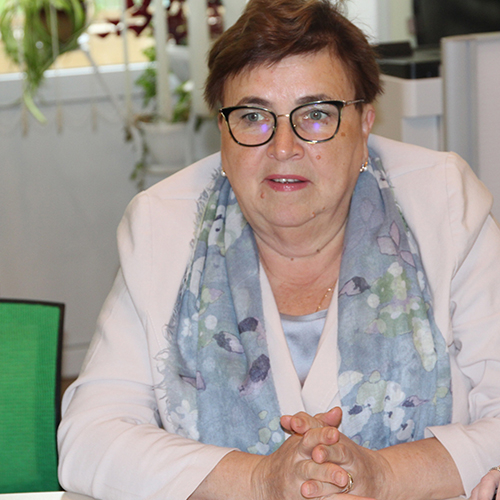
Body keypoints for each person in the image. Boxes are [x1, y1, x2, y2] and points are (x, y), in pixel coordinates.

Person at [57, 0, 500, 499]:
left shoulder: (443, 202)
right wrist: (259, 479)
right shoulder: (163, 226)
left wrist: (384, 477)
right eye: (253, 116)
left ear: (365, 124)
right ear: (223, 134)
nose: (283, 147)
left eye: (316, 115)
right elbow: (89, 437)